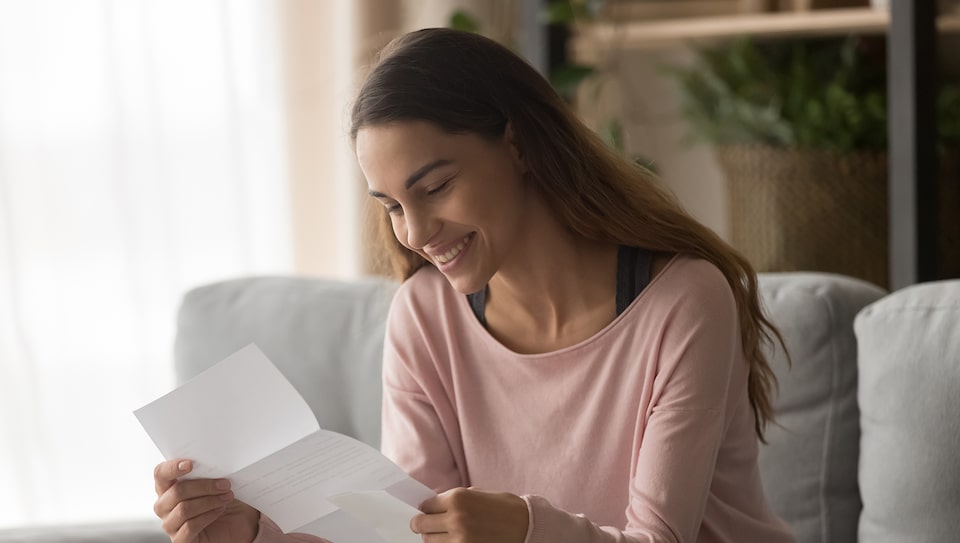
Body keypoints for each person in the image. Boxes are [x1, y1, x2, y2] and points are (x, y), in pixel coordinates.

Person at [152, 27, 795, 543]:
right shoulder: (424, 315)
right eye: (393, 206)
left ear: (517, 145)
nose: (415, 232)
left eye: (434, 188)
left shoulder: (684, 300)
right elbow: (409, 533)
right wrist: (257, 534)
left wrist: (525, 528)